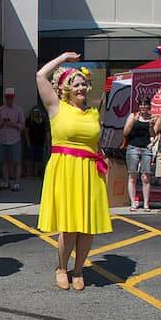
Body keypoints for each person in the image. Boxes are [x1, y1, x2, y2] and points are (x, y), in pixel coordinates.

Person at [36, 52, 112, 291]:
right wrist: (64, 58)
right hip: (66, 169)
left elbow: (96, 144)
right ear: (66, 88)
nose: (80, 87)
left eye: (83, 83)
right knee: (69, 226)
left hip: (90, 170)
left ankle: (78, 270)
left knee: (87, 225)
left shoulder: (93, 113)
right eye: (75, 83)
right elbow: (40, 75)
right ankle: (61, 267)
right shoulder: (56, 107)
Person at [123, 97, 154, 211]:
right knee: (132, 176)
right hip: (133, 147)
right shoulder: (133, 116)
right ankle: (133, 203)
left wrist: (151, 126)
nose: (143, 107)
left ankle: (146, 203)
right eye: (141, 104)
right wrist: (133, 121)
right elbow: (125, 132)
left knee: (146, 177)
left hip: (146, 148)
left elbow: (153, 135)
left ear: (149, 106)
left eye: (145, 105)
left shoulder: (152, 118)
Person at [0, 87, 24, 191]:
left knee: (17, 161)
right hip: (2, 139)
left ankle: (17, 183)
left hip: (14, 139)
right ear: (5, 98)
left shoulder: (18, 110)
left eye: (11, 98)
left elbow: (22, 126)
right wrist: (2, 123)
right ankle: (6, 182)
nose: (9, 100)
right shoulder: (0, 110)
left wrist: (13, 124)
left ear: (14, 97)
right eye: (7, 98)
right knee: (4, 161)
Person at [24, 106, 49, 177]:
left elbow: (46, 132)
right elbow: (26, 132)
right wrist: (28, 142)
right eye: (34, 112)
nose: (36, 113)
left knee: (38, 158)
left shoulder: (43, 121)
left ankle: (36, 172)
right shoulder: (29, 120)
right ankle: (29, 173)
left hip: (41, 143)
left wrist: (47, 142)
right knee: (29, 157)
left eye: (37, 112)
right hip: (31, 142)